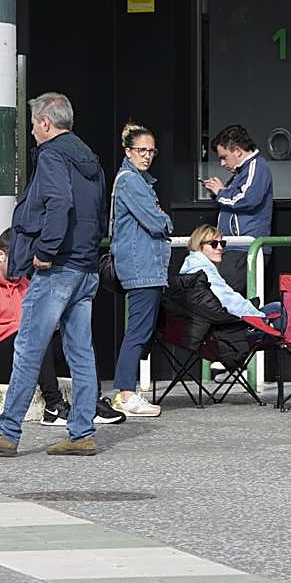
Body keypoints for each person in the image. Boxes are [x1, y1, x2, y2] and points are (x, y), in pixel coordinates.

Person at [0, 92, 106, 457]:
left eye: (32, 124)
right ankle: (82, 433)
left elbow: (59, 203)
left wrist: (45, 251)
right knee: (81, 352)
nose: (31, 131)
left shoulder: (53, 155)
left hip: (58, 269)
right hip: (86, 266)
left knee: (27, 346)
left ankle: (7, 430)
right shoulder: (90, 159)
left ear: (45, 122)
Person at [0, 229, 125, 427]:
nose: (22, 268)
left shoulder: (24, 284)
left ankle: (92, 403)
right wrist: (28, 325)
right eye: (18, 261)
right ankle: (53, 406)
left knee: (76, 336)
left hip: (20, 349)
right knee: (36, 336)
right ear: (1, 256)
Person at [109, 122, 171, 417]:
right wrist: (163, 218)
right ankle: (125, 393)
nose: (147, 156)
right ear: (128, 151)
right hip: (142, 268)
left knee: (142, 330)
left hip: (148, 267)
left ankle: (127, 391)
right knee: (137, 331)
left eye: (151, 151)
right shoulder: (131, 182)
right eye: (141, 150)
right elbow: (157, 222)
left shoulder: (138, 181)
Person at [200, 124, 273, 296]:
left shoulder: (257, 166)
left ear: (238, 151)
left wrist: (220, 191)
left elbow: (247, 199)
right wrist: (220, 192)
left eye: (224, 157)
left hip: (245, 248)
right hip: (235, 247)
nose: (222, 163)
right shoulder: (243, 172)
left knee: (216, 296)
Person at [180, 224, 283, 338]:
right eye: (214, 244)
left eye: (222, 243)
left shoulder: (190, 269)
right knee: (280, 311)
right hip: (228, 332)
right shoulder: (204, 273)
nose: (220, 248)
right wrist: (261, 319)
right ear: (199, 246)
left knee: (276, 308)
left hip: (213, 329)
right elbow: (228, 302)